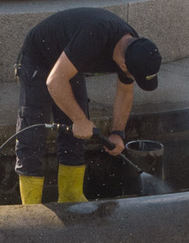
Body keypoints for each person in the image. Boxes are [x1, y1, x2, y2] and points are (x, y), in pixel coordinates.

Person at [15, 7, 162, 205]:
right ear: (125, 66)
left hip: (70, 62)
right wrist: (79, 119)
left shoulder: (134, 48)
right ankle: (30, 209)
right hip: (39, 58)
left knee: (77, 136)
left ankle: (70, 198)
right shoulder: (94, 36)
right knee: (32, 138)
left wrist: (118, 133)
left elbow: (125, 91)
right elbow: (55, 81)